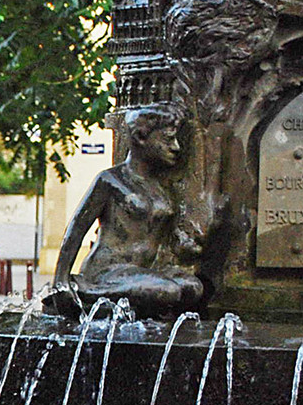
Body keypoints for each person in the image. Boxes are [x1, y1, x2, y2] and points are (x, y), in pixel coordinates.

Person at [50, 101, 204, 317]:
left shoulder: (161, 187)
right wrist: (61, 279)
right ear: (141, 138)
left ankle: (137, 307)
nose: (176, 147)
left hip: (144, 271)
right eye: (168, 139)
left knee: (192, 288)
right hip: (109, 272)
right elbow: (77, 228)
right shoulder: (111, 180)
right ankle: (85, 291)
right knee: (167, 291)